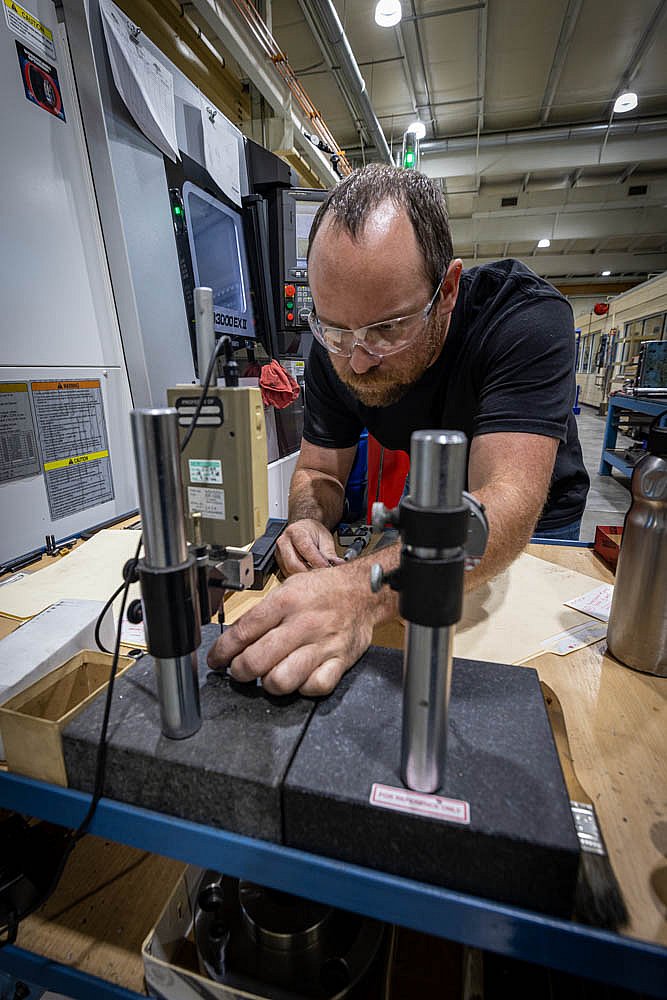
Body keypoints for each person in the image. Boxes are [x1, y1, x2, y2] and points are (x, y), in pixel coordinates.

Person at [208, 164, 590, 696]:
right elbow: (319, 471)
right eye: (335, 329)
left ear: (447, 290)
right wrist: (308, 521)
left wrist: (363, 591)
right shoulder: (339, 349)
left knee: (517, 680)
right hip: (430, 505)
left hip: (535, 529)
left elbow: (504, 506)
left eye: (387, 329)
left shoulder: (523, 320)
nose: (358, 360)